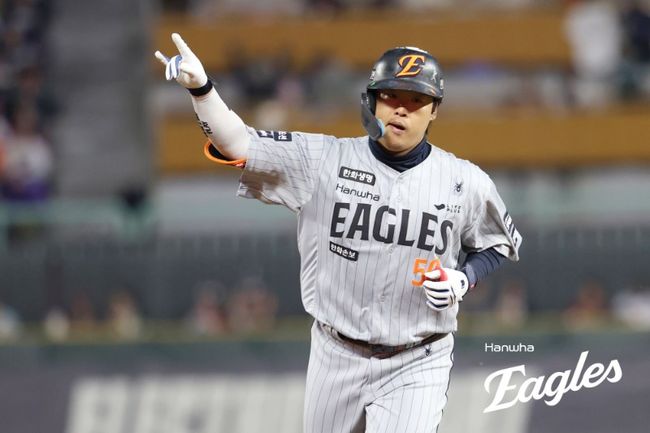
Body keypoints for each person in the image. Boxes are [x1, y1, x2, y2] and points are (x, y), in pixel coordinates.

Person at [155, 34, 522, 433]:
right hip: (335, 352)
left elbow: (497, 243)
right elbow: (237, 143)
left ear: (434, 110)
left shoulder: (465, 181)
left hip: (419, 356)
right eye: (391, 96)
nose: (402, 109)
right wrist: (202, 90)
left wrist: (464, 278)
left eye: (417, 100)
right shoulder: (323, 160)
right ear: (372, 101)